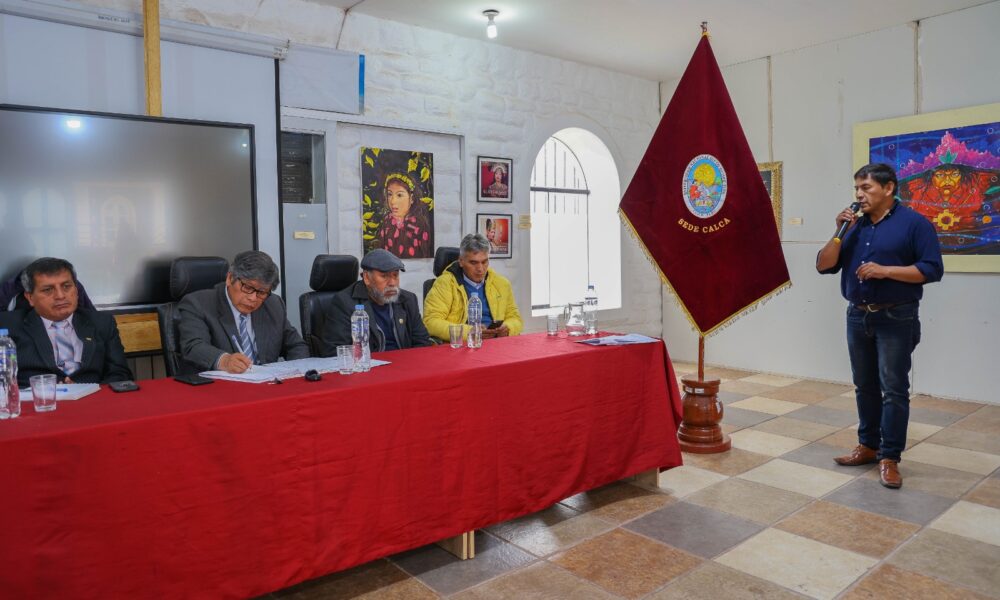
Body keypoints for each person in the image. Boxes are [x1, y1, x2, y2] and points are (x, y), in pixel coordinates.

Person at [816, 163, 943, 489]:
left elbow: (932, 270)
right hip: (857, 316)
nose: (859, 195)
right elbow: (823, 265)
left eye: (866, 188)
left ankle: (890, 457)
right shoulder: (853, 226)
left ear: (889, 188)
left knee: (894, 390)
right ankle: (868, 446)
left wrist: (885, 271)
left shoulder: (915, 224)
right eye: (857, 188)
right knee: (865, 386)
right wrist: (838, 231)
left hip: (896, 318)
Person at [0, 257, 132, 387]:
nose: (60, 296)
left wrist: (88, 391)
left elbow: (120, 375)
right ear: (30, 298)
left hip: (92, 397)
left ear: (76, 290)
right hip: (36, 399)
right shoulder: (7, 325)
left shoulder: (101, 322)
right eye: (48, 290)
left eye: (66, 286)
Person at [177, 250, 309, 374]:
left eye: (262, 292)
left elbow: (296, 346)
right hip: (218, 387)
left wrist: (296, 372)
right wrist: (224, 360)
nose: (253, 298)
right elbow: (193, 347)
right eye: (247, 287)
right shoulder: (198, 303)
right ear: (230, 278)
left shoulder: (273, 304)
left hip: (266, 384)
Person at [318, 249, 432, 355]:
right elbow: (334, 351)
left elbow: (422, 341)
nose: (392, 283)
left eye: (395, 275)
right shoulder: (345, 302)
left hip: (404, 364)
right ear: (367, 278)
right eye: (384, 276)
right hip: (367, 366)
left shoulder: (408, 300)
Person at [423, 233, 523, 341]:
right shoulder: (444, 284)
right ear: (461, 261)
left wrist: (508, 328)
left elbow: (515, 318)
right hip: (463, 344)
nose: (480, 269)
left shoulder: (502, 284)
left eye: (484, 262)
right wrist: (469, 332)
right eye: (473, 262)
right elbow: (430, 322)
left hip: (495, 343)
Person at [375, 173, 433, 259]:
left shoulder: (420, 224)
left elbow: (425, 255)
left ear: (412, 198)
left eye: (399, 195)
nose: (393, 201)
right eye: (389, 194)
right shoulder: (387, 221)